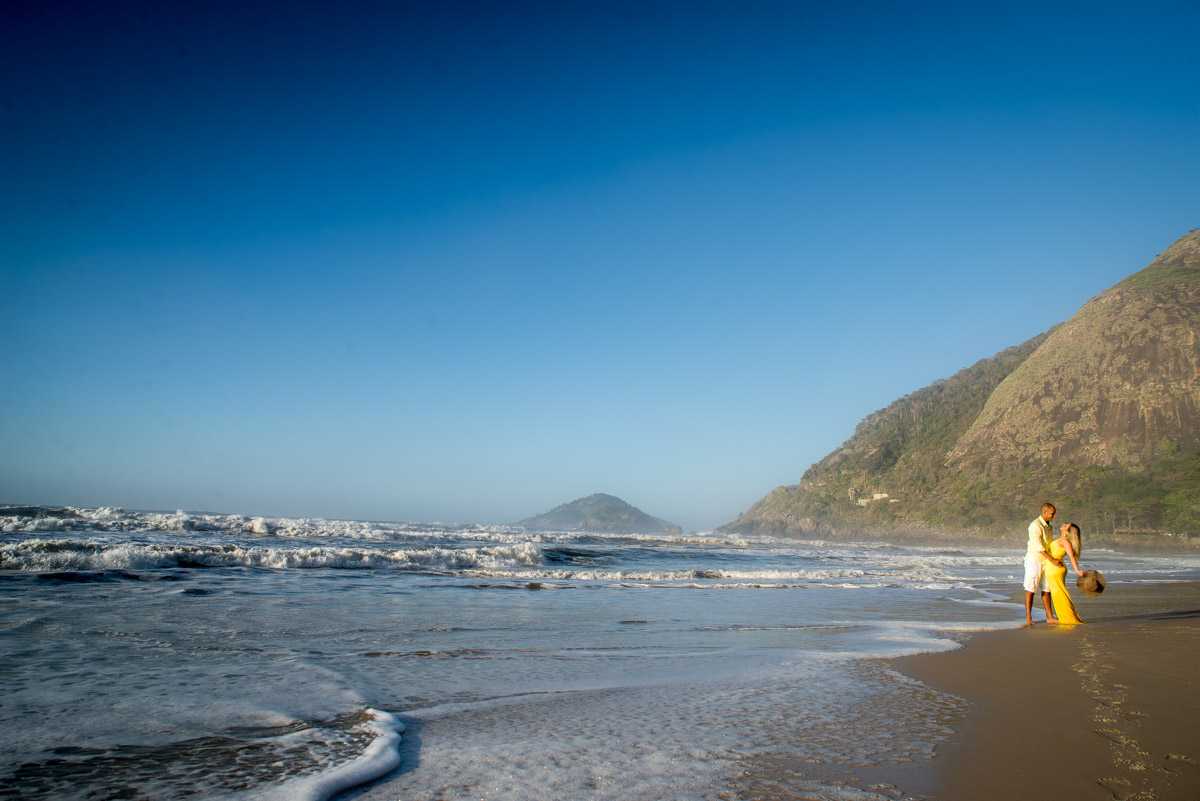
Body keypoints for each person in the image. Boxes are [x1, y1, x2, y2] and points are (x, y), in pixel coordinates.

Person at [1023, 503, 1062, 625]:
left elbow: (1049, 544)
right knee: (1031, 588)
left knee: (1046, 589)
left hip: (1045, 560)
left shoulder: (1049, 526)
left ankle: (1049, 616)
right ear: (1044, 513)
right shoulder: (1035, 525)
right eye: (1052, 514)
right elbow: (1038, 546)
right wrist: (1052, 560)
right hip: (1034, 560)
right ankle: (1028, 617)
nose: (1053, 516)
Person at [1044, 523, 1085, 625]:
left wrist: (1077, 570)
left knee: (1060, 594)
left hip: (1055, 569)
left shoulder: (1065, 541)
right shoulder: (1061, 539)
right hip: (1053, 568)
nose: (1063, 524)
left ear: (1068, 531)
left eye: (1066, 525)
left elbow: (1071, 557)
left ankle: (1069, 618)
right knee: (1057, 594)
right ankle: (1065, 617)